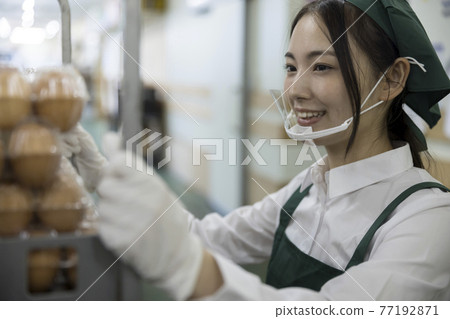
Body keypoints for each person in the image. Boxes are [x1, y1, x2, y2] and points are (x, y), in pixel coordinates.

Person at [64, 0, 450, 300]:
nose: (295, 90)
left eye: (322, 67)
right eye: (290, 66)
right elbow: (209, 236)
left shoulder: (426, 219)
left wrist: (190, 269)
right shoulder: (308, 187)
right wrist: (103, 175)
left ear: (392, 79)